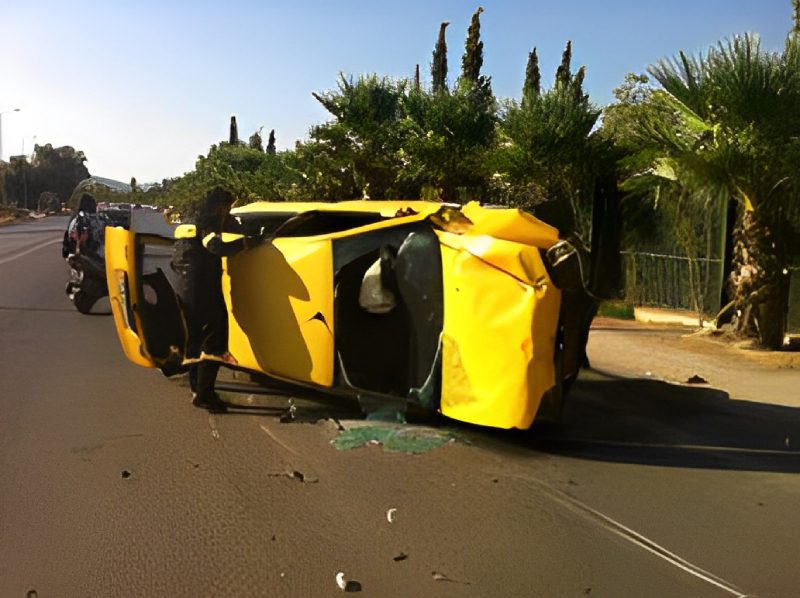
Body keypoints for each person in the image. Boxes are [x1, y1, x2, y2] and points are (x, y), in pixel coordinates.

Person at [171, 187, 253, 413]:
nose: (228, 212)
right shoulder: (207, 222)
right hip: (203, 290)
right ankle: (206, 395)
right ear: (220, 207)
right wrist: (246, 244)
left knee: (194, 340)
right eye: (228, 208)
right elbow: (215, 246)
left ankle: (197, 390)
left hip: (185, 288)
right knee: (215, 340)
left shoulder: (187, 221)